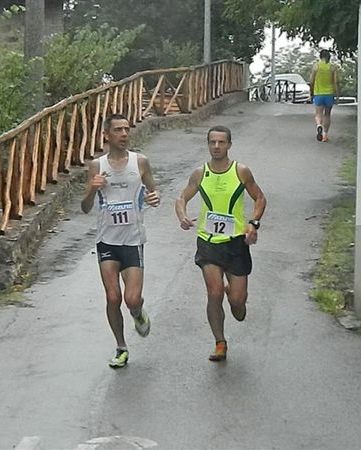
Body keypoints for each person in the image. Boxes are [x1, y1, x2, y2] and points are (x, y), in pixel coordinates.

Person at [175, 125, 266, 362]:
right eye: (212, 142)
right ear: (208, 145)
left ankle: (234, 295)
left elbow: (260, 197)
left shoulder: (241, 171)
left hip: (236, 243)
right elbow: (182, 197)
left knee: (238, 306)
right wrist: (182, 215)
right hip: (208, 242)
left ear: (229, 145)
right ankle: (220, 342)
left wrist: (253, 224)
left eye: (221, 142)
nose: (216, 146)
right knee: (213, 292)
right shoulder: (199, 173)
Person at [81, 113, 160, 368]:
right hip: (107, 241)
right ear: (107, 135)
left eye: (127, 129)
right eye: (118, 130)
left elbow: (153, 191)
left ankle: (138, 313)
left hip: (133, 240)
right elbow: (85, 208)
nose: (124, 134)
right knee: (113, 297)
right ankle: (121, 346)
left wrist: (153, 198)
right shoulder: (97, 165)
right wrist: (93, 188)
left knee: (132, 299)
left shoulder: (141, 162)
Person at [309, 49, 339, 142]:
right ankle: (325, 135)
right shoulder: (332, 67)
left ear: (320, 56)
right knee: (327, 114)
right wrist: (337, 94)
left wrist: (311, 93)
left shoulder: (316, 67)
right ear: (329, 57)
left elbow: (311, 81)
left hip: (318, 93)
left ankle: (319, 126)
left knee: (318, 114)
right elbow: (335, 82)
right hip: (329, 94)